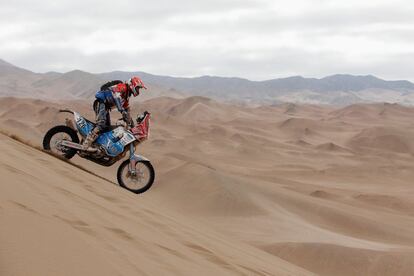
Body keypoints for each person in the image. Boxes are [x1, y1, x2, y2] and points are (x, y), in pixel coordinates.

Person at [82, 76, 147, 150]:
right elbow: (116, 95)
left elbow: (127, 110)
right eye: (138, 88)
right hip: (101, 102)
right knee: (101, 125)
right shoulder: (123, 87)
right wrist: (121, 110)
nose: (138, 90)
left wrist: (132, 125)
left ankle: (97, 145)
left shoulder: (126, 96)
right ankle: (86, 145)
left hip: (106, 107)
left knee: (107, 128)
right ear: (133, 85)